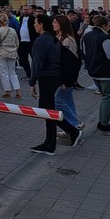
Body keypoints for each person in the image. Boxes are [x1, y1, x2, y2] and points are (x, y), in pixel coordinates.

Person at [28, 14, 83, 155]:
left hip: (47, 78)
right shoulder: (53, 39)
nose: (34, 25)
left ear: (41, 24)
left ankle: (67, 134)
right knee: (49, 110)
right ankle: (52, 142)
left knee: (47, 109)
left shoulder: (41, 41)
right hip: (55, 77)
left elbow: (37, 62)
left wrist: (32, 81)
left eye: (35, 22)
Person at [82, 15, 110, 132]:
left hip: (93, 70)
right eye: (108, 25)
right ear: (104, 25)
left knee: (105, 96)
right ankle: (104, 123)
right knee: (108, 98)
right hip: (106, 71)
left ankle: (103, 121)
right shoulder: (105, 37)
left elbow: (85, 51)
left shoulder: (87, 35)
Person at [53, 15, 82, 130]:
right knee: (68, 100)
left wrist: (65, 79)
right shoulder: (58, 37)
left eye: (55, 22)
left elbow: (69, 62)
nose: (53, 24)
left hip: (66, 76)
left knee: (57, 100)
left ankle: (75, 123)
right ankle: (74, 125)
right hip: (64, 76)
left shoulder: (68, 40)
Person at [0, 11, 21, 98]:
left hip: (1, 53)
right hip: (12, 53)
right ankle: (18, 90)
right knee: (12, 72)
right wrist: (14, 49)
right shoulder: (12, 30)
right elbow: (17, 42)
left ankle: (7, 91)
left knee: (4, 72)